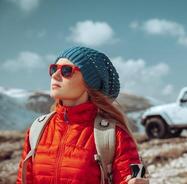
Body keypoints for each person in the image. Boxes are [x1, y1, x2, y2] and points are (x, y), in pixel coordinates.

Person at [16, 46, 149, 184]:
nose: (55, 75)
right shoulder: (38, 129)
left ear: (89, 82)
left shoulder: (114, 135)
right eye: (54, 69)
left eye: (66, 71)